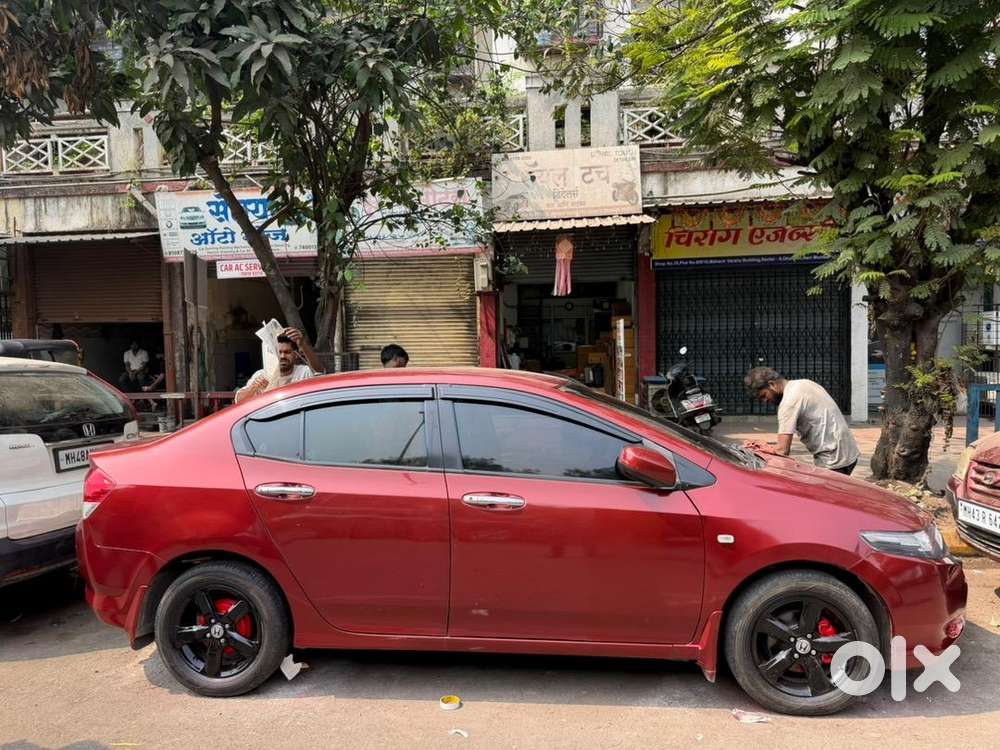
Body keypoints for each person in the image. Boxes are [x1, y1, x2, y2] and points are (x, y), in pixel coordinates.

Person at [743, 366, 861, 475]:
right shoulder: (804, 383)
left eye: (764, 395)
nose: (765, 401)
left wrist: (760, 449)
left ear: (772, 384)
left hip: (833, 459)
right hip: (848, 452)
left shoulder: (788, 403)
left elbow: (782, 450)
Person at [234, 327, 320, 403]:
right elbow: (239, 401)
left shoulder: (303, 372)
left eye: (287, 352)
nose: (282, 356)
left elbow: (320, 372)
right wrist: (254, 387)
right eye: (279, 352)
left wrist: (302, 344)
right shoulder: (262, 375)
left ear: (295, 355)